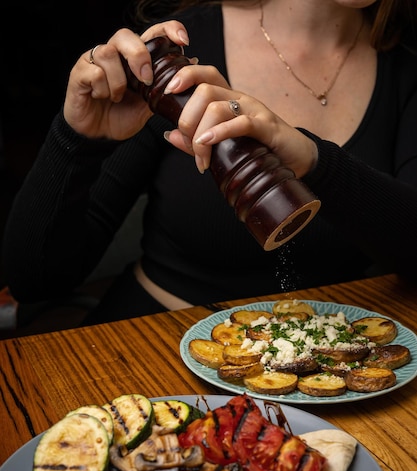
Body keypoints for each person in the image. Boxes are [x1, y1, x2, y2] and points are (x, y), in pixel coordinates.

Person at [2, 0, 417, 326]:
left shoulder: (407, 64)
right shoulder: (176, 56)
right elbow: (35, 279)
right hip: (152, 344)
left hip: (327, 367)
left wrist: (314, 159)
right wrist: (77, 138)